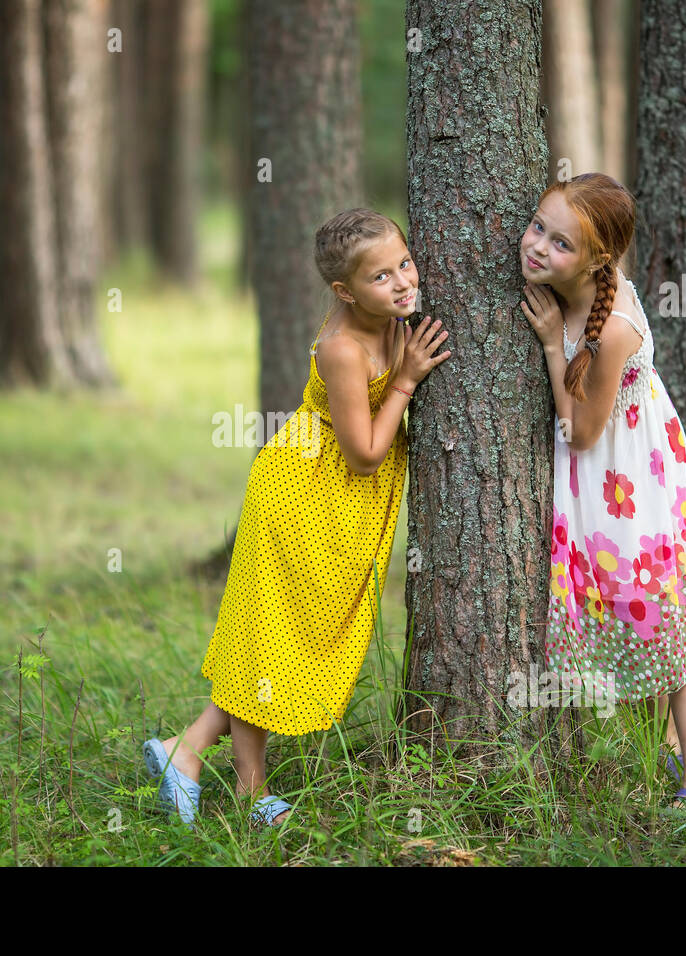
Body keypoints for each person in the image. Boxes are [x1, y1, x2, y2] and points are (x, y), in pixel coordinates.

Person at [143, 208, 451, 827]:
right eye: (380, 277)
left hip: (341, 511)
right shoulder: (342, 347)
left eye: (405, 264)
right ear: (344, 292)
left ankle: (189, 752)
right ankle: (247, 794)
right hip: (304, 499)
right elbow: (364, 455)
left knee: (280, 643)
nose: (402, 283)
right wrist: (406, 381)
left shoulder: (391, 314)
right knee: (272, 642)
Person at [518, 173, 686, 819]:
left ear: (599, 260)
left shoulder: (613, 330)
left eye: (561, 245)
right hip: (610, 471)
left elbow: (580, 434)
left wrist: (554, 344)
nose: (538, 248)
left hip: (629, 483)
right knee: (641, 612)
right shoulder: (582, 290)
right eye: (538, 227)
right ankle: (666, 743)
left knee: (666, 625)